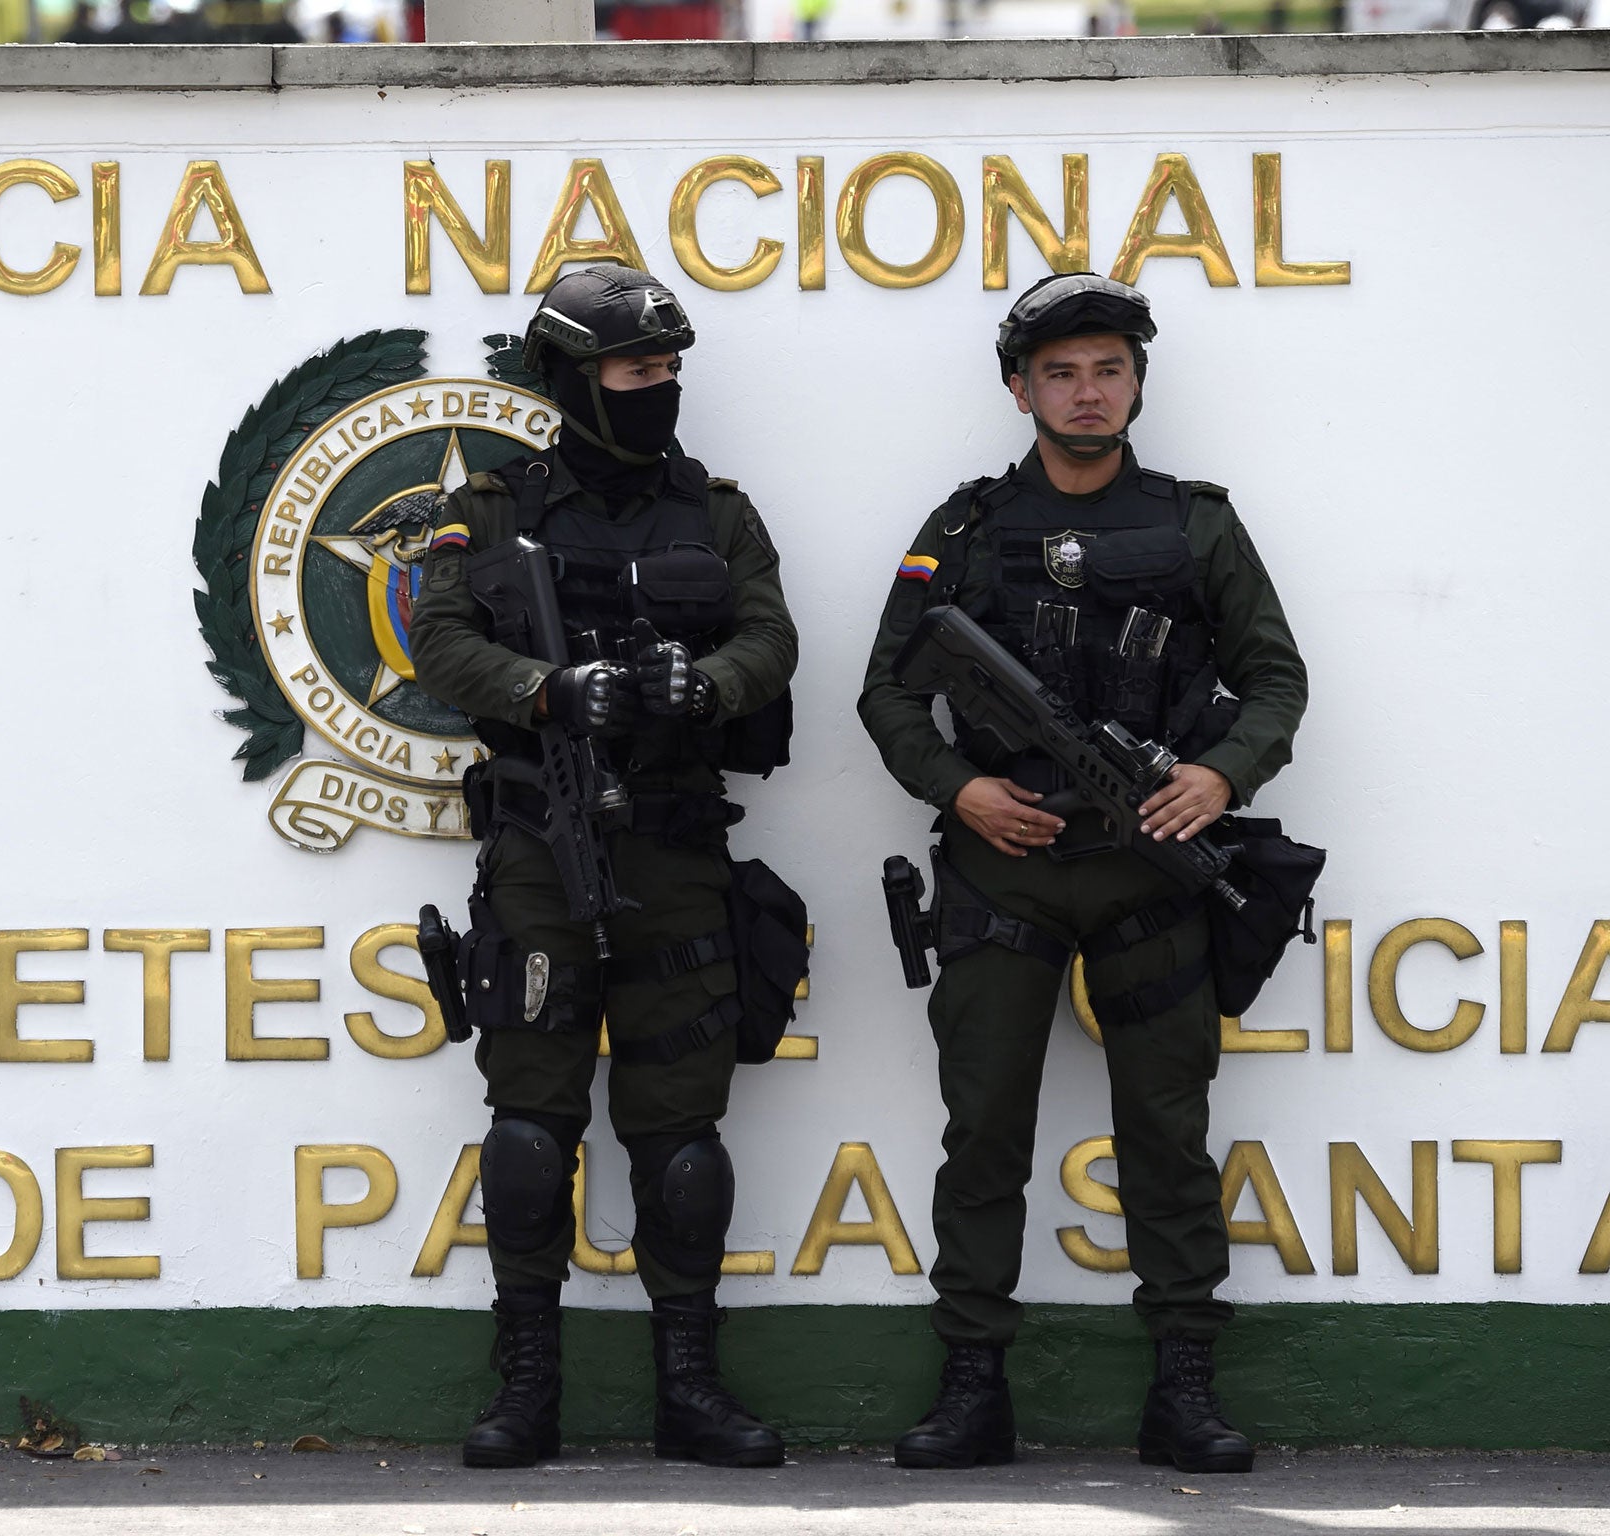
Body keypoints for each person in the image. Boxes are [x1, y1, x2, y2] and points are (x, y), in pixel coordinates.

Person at [857, 273, 1307, 1475]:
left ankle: (1183, 1391)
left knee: (1166, 1131)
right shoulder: (957, 528)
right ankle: (970, 1391)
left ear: (1135, 384)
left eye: (1107, 369)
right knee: (984, 1130)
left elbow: (1274, 682)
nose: (1086, 391)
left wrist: (1216, 779)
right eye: (1060, 372)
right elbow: (887, 690)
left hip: (1151, 871)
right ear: (1018, 390)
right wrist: (958, 789)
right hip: (1004, 875)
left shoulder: (1198, 522)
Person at [410, 265, 799, 1471]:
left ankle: (688, 1384)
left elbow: (770, 637)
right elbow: (438, 636)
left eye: (669, 372)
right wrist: (544, 688)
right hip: (538, 848)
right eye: (637, 373)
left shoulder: (715, 512)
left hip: (676, 852)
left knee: (680, 1141)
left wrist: (713, 684)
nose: (658, 392)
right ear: (577, 383)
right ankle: (526, 1385)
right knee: (529, 1126)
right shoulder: (496, 505)